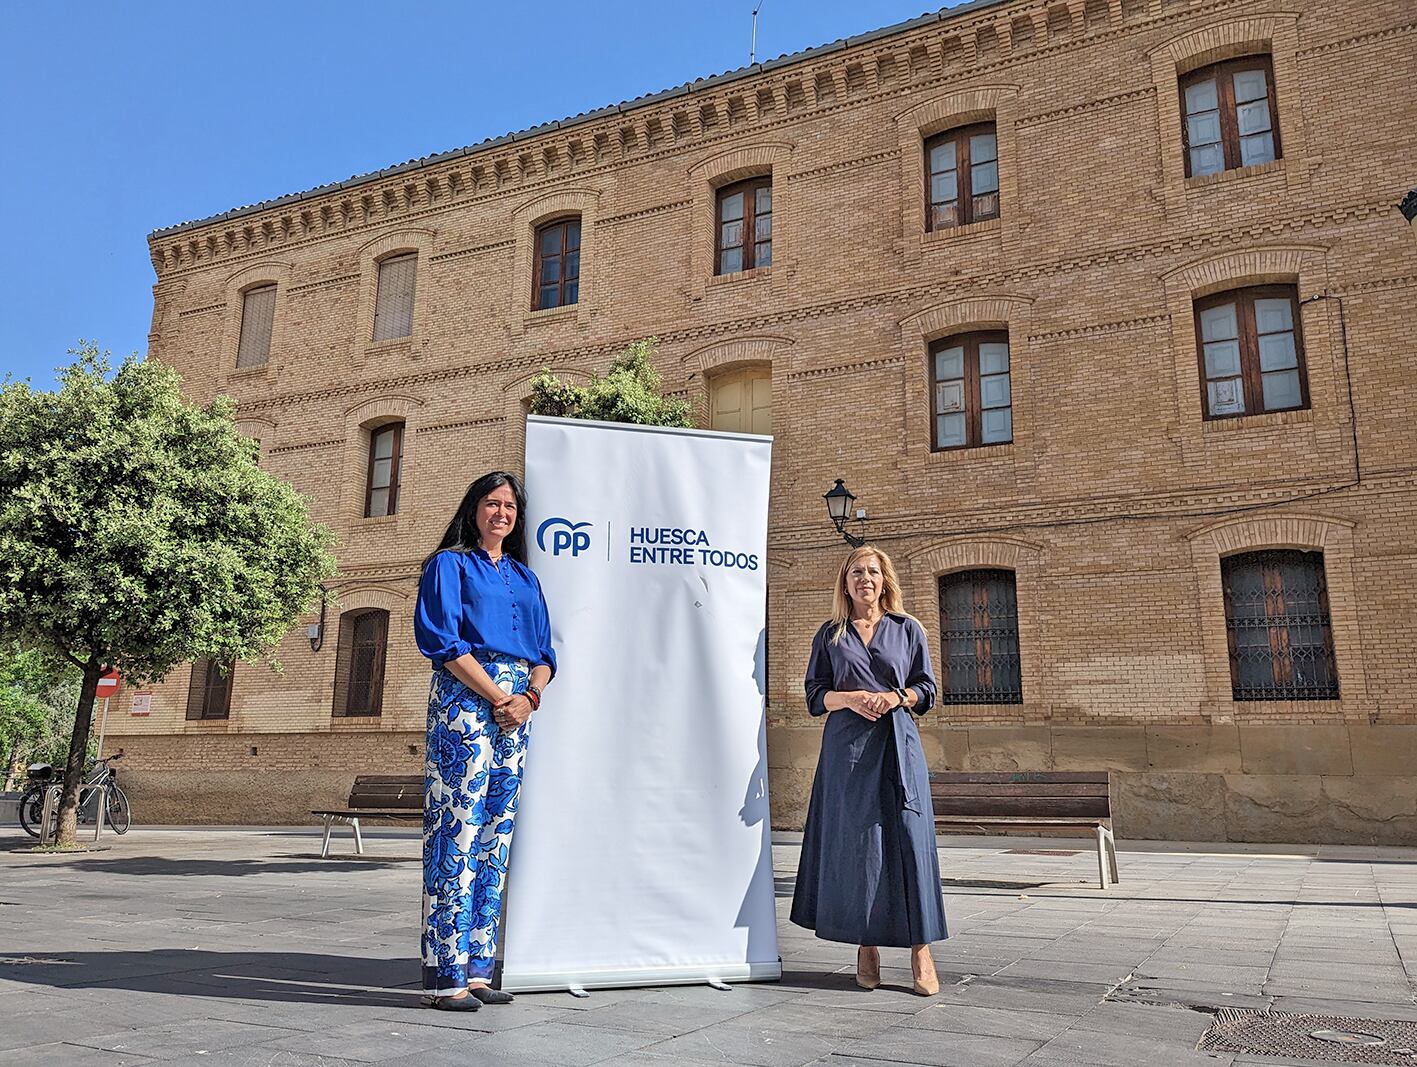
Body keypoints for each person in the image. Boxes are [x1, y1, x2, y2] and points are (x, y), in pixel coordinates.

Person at [414, 471, 556, 1010]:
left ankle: (478, 970)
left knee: (496, 837)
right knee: (459, 829)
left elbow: (545, 655)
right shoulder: (449, 564)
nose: (502, 513)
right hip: (466, 700)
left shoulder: (526, 577)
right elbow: (442, 640)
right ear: (474, 508)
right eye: (492, 504)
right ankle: (446, 975)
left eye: (510, 507)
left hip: (518, 709)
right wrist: (499, 695)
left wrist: (528, 700)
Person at [790, 545, 946, 996]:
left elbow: (927, 689)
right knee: (862, 848)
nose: (865, 579)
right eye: (856, 572)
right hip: (848, 751)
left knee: (910, 841)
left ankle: (921, 949)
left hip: (899, 744)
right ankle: (866, 945)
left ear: (884, 580)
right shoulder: (831, 634)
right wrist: (851, 697)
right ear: (845, 582)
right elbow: (815, 694)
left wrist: (898, 697)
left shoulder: (907, 628)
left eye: (873, 572)